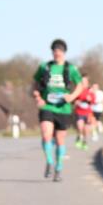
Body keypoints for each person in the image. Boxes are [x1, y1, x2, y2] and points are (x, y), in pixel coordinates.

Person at [32, 39, 84, 182]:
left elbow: (80, 85)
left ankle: (59, 168)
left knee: (60, 141)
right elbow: (35, 84)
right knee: (46, 134)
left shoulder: (71, 68)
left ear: (64, 52)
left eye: (59, 51)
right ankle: (49, 161)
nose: (56, 53)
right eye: (54, 51)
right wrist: (37, 97)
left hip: (63, 108)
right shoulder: (45, 67)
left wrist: (72, 96)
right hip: (47, 105)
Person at [74, 77, 96, 150]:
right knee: (80, 127)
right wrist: (76, 102)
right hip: (79, 112)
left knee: (86, 129)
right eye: (82, 82)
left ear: (87, 83)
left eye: (85, 82)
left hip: (88, 113)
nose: (83, 84)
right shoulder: (77, 91)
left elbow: (93, 102)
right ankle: (79, 136)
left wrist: (90, 100)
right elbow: (72, 100)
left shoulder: (90, 92)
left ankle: (84, 141)